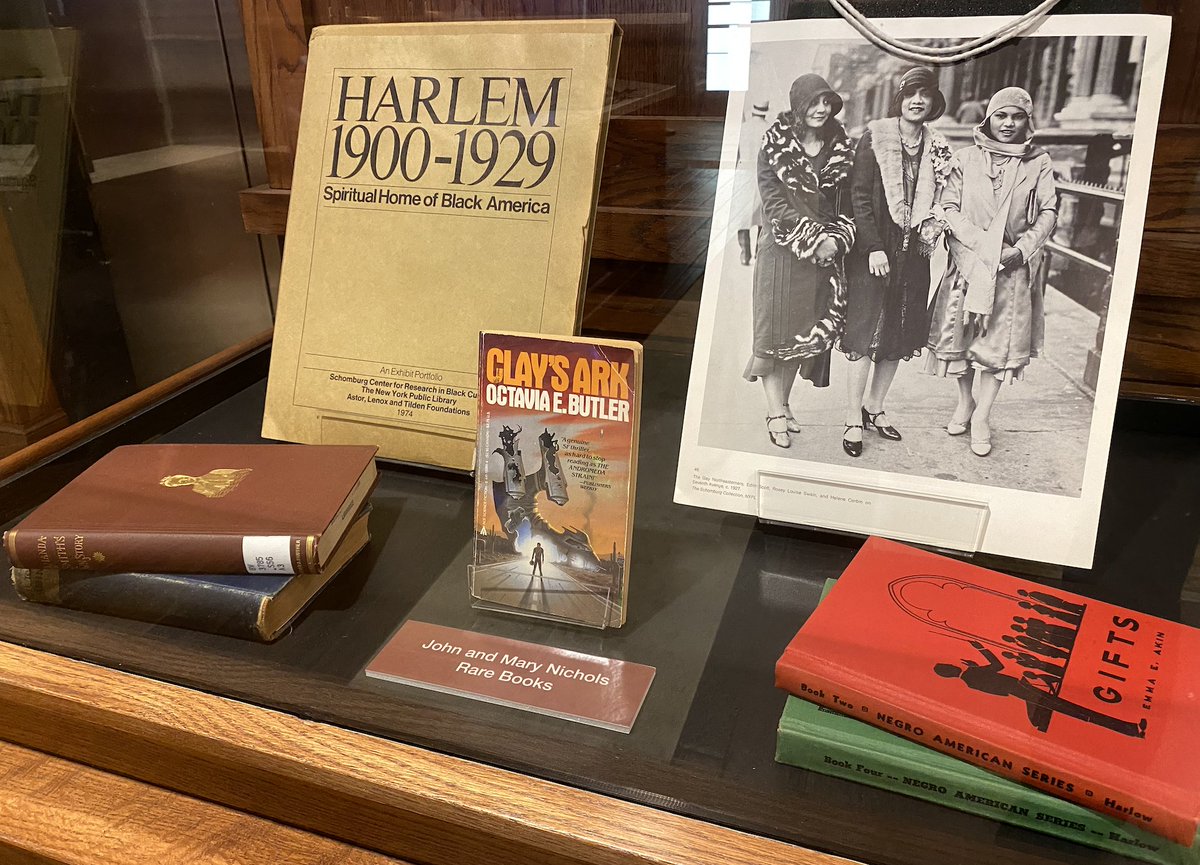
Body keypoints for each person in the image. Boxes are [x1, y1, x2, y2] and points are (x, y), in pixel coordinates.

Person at [924, 87, 1058, 457]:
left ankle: (982, 415)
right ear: (988, 118)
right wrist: (979, 245)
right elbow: (947, 205)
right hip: (968, 262)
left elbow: (1048, 211)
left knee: (995, 347)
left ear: (1027, 121)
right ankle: (965, 402)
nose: (1008, 123)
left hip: (1010, 268)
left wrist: (1020, 250)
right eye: (1001, 115)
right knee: (960, 340)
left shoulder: (1039, 162)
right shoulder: (965, 158)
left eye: (1017, 116)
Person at [839, 67, 953, 458]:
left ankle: (875, 407)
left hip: (913, 254)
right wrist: (872, 247)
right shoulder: (875, 138)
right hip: (876, 251)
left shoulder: (938, 146)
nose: (917, 101)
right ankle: (853, 416)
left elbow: (947, 195)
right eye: (911, 94)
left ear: (933, 103)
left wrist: (934, 223)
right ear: (900, 99)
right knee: (865, 332)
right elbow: (858, 198)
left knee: (899, 332)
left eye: (925, 95)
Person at [745, 73, 855, 449]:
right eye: (814, 102)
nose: (821, 109)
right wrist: (813, 239)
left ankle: (785, 403)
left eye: (827, 103)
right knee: (775, 332)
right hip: (782, 249)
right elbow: (773, 204)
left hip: (823, 255)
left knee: (802, 335)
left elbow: (846, 204)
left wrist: (835, 240)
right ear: (799, 105)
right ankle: (774, 411)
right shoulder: (774, 146)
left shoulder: (841, 146)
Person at [736, 99, 770, 266]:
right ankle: (758, 252)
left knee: (742, 214)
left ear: (752, 110)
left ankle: (745, 253)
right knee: (761, 215)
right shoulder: (769, 129)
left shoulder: (743, 128)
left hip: (743, 171)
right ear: (766, 110)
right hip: (761, 173)